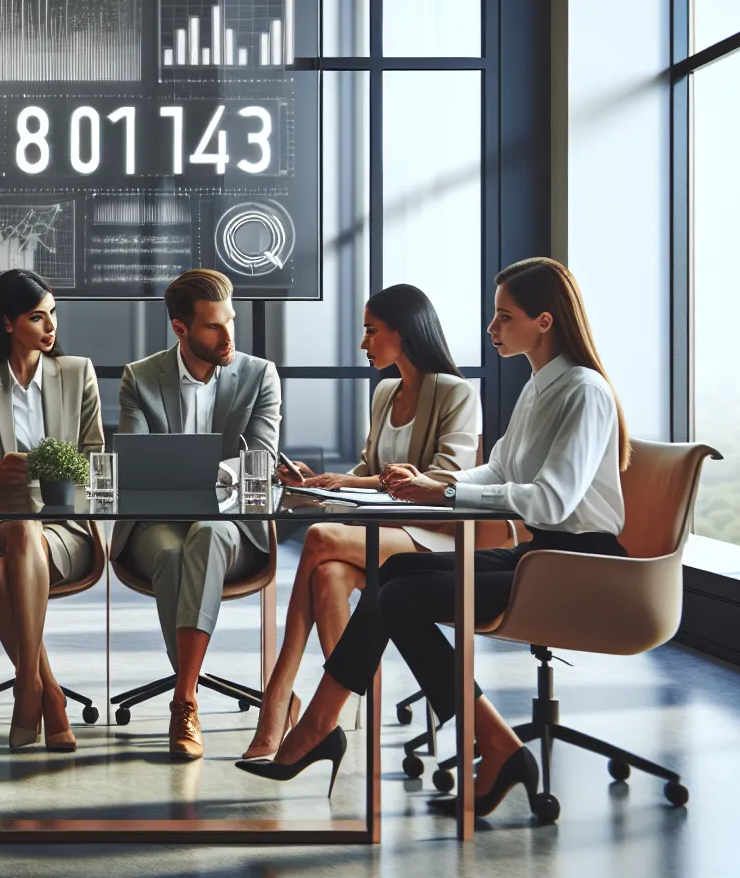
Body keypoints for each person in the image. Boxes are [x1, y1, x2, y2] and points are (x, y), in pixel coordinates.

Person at [238, 257, 630, 822]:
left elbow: (552, 501)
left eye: (504, 317)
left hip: (580, 565)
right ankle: (490, 746)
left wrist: (443, 496)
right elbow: (495, 473)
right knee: (394, 578)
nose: (492, 330)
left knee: (398, 594)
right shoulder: (539, 388)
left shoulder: (583, 391)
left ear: (544, 321)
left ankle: (320, 727)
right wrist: (433, 485)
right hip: (539, 555)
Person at [243, 284, 482, 760]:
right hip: (382, 532)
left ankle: (278, 700)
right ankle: (347, 715)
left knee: (316, 538)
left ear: (404, 333)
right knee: (328, 574)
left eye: (372, 331)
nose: (363, 343)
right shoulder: (385, 391)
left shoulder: (456, 393)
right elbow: (368, 470)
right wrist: (324, 484)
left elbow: (447, 480)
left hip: (433, 539)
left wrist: (363, 485)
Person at [115, 268, 282, 760]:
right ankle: (188, 691)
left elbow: (263, 459)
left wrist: (211, 476)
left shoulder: (258, 375)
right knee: (169, 554)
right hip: (156, 522)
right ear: (181, 329)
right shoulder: (141, 378)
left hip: (230, 521)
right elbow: (135, 463)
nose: (228, 336)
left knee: (206, 536)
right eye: (213, 326)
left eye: (230, 321)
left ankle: (183, 699)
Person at [0, 269, 103, 752]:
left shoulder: (77, 372)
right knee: (16, 532)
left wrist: (50, 469)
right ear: (8, 323)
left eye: (52, 315)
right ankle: (45, 692)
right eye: (37, 317)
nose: (50, 326)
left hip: (64, 526)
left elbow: (95, 460)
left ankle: (33, 687)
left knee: (2, 574)